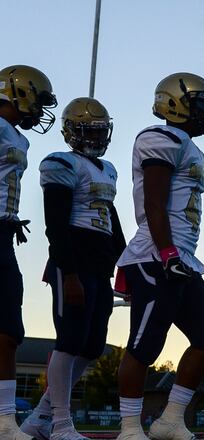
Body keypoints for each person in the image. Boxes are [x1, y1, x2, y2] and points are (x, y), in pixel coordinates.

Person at [115, 72, 204, 440]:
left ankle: (170, 420)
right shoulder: (158, 138)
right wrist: (167, 253)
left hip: (183, 258)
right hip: (155, 254)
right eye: (201, 105)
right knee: (145, 344)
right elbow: (154, 203)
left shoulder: (191, 147)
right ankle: (130, 427)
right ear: (176, 105)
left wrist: (179, 256)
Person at [21, 98, 125, 440]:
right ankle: (62, 424)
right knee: (69, 341)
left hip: (101, 261)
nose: (94, 137)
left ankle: (41, 416)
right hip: (74, 259)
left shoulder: (108, 168)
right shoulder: (61, 163)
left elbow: (111, 216)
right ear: (71, 132)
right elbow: (56, 223)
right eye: (87, 130)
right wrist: (67, 272)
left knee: (92, 345)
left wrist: (126, 261)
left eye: (98, 130)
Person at [0, 64, 57, 440]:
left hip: (3, 236)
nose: (39, 109)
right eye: (37, 99)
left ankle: (4, 421)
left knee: (7, 330)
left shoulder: (18, 138)